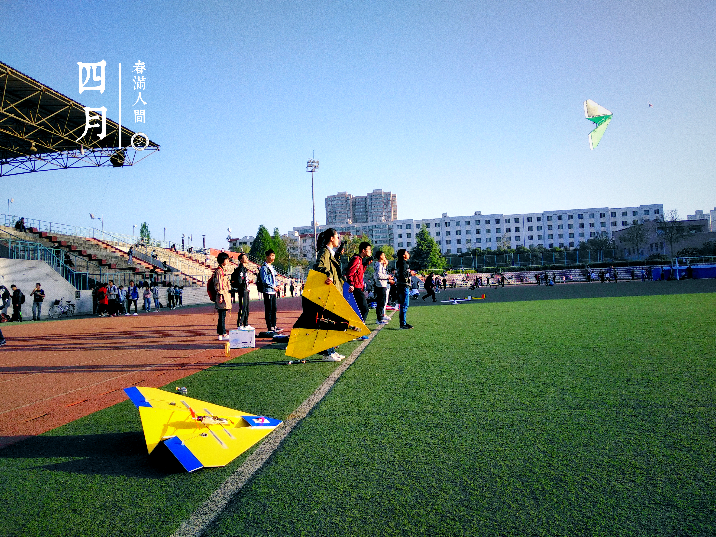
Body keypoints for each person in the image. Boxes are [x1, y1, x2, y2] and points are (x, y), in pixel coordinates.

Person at [313, 229, 345, 361]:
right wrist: (328, 274)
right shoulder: (325, 252)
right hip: (328, 293)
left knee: (331, 322)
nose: (338, 239)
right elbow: (319, 265)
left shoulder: (330, 253)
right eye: (337, 237)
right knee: (327, 322)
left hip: (334, 292)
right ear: (331, 238)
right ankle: (327, 353)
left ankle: (331, 350)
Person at [346, 241, 372, 326]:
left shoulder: (360, 260)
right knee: (365, 309)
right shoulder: (356, 259)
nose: (370, 251)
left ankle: (355, 326)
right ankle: (359, 327)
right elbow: (350, 273)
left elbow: (359, 273)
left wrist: (365, 264)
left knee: (359, 309)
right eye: (369, 249)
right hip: (355, 287)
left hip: (359, 287)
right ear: (363, 250)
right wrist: (351, 284)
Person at [259, 249, 280, 332]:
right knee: (269, 310)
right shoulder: (264, 268)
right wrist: (273, 286)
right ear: (267, 257)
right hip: (268, 291)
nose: (273, 257)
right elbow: (264, 280)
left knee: (274, 309)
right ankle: (270, 326)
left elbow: (274, 278)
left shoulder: (272, 267)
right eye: (271, 255)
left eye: (274, 255)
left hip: (273, 291)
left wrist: (277, 285)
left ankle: (274, 325)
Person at [213, 251, 232, 340]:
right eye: (226, 259)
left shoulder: (223, 270)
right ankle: (223, 333)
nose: (228, 261)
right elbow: (218, 284)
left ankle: (221, 333)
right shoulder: (219, 271)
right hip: (222, 295)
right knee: (222, 315)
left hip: (225, 294)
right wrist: (220, 295)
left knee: (222, 315)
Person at [231, 253, 251, 328]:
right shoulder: (240, 269)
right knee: (243, 307)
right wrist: (243, 285)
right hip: (243, 290)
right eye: (245, 258)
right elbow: (240, 280)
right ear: (241, 260)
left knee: (246, 308)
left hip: (246, 290)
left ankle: (246, 323)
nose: (247, 259)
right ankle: (240, 323)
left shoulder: (244, 269)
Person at [373, 250, 392, 324]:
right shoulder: (379, 265)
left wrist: (385, 266)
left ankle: (381, 316)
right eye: (383, 255)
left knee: (382, 302)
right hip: (380, 285)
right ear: (380, 256)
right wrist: (387, 277)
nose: (385, 257)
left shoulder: (380, 265)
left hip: (382, 285)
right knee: (381, 302)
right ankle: (379, 319)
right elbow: (379, 275)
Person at [396, 249, 413, 329]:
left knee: (403, 305)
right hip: (403, 285)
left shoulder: (400, 263)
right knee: (404, 305)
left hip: (401, 285)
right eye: (407, 253)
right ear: (403, 255)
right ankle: (403, 324)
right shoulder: (403, 263)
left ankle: (403, 323)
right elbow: (403, 274)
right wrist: (410, 273)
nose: (408, 254)